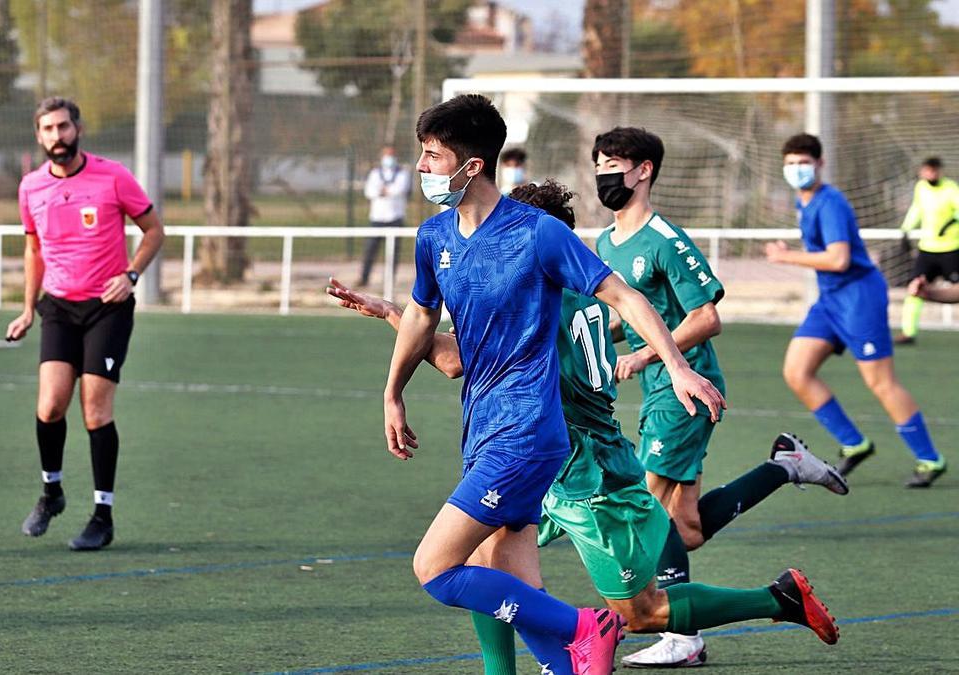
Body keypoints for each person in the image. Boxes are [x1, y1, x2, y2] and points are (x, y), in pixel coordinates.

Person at [329, 180, 841, 675]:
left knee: (640, 614)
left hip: (584, 473)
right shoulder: (579, 291)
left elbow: (454, 360)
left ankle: (778, 599)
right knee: (487, 560)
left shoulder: (538, 298)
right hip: (553, 456)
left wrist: (395, 315)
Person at [385, 94, 726, 675]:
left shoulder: (538, 233)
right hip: (483, 429)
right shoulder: (434, 237)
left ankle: (586, 625)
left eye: (432, 156)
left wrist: (674, 363)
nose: (421, 168)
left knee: (436, 568)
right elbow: (421, 318)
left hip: (527, 432)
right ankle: (568, 662)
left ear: (471, 167)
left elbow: (622, 294)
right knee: (508, 574)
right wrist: (393, 392)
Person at [590, 127, 848, 667]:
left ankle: (684, 638)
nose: (603, 173)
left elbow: (706, 318)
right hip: (659, 388)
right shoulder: (607, 242)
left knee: (644, 505)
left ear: (644, 171)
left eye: (614, 163)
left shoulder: (664, 237)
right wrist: (598, 340)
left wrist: (642, 356)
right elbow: (633, 318)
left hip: (687, 385)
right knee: (685, 528)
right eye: (598, 163)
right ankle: (784, 467)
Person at [7, 97, 166, 550]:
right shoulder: (31, 188)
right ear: (39, 137)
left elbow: (154, 230)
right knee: (50, 405)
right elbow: (33, 250)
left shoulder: (112, 176)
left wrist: (131, 275)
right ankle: (51, 492)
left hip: (107, 307)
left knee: (95, 407)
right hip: (58, 306)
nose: (57, 136)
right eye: (48, 129)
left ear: (77, 129)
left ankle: (102, 515)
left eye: (63, 126)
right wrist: (26, 308)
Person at [766, 133, 946, 488]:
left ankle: (929, 458)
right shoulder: (803, 199)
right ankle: (854, 443)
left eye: (803, 163)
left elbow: (839, 258)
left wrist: (785, 256)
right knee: (797, 371)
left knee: (880, 382)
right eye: (790, 163)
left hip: (859, 298)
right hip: (831, 300)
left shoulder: (831, 202)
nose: (796, 169)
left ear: (820, 164)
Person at [896, 157, 959, 345]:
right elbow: (916, 209)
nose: (930, 174)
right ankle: (908, 332)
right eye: (927, 170)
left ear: (939, 171)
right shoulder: (921, 188)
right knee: (915, 288)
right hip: (927, 250)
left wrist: (950, 223)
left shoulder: (950, 189)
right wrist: (905, 230)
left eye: (933, 170)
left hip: (951, 249)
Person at [359, 145, 412, 287]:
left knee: (393, 253)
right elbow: (369, 191)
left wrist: (384, 191)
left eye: (391, 155)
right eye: (386, 155)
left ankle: (389, 281)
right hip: (377, 218)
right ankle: (364, 278)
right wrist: (384, 191)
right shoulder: (375, 173)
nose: (389, 158)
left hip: (395, 217)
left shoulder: (403, 173)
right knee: (370, 250)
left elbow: (400, 189)